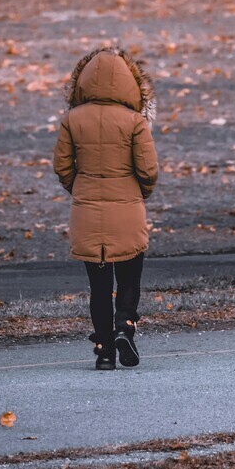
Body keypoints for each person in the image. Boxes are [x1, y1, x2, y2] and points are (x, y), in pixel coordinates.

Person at [53, 47, 159, 370]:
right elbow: (149, 170)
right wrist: (139, 193)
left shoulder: (72, 120)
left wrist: (80, 189)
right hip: (127, 212)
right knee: (129, 276)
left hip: (87, 214)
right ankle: (125, 326)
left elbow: (62, 166)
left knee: (99, 287)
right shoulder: (134, 122)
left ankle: (103, 350)